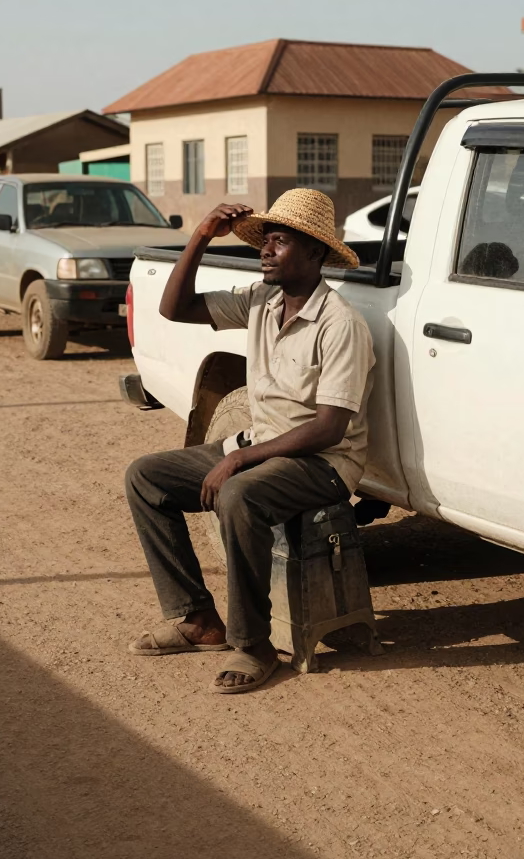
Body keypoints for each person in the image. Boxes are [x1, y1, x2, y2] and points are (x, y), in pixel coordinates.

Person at [125, 188, 375, 694]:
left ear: (314, 252)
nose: (265, 250)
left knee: (239, 495)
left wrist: (239, 458)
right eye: (264, 240)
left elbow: (329, 428)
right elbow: (175, 308)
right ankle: (197, 621)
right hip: (262, 443)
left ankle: (252, 644)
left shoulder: (340, 323)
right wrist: (199, 236)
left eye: (278, 241)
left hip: (323, 462)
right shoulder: (262, 301)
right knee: (145, 477)